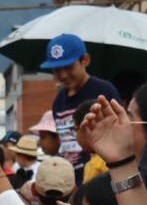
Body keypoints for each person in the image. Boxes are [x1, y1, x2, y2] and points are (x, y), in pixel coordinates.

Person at [41, 33, 121, 165]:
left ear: (85, 60)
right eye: (57, 70)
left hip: (100, 172)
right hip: (70, 179)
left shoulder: (103, 91)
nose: (63, 75)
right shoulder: (58, 102)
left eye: (68, 67)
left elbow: (120, 134)